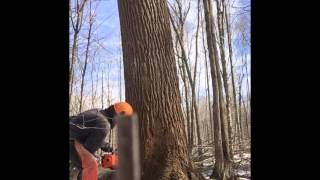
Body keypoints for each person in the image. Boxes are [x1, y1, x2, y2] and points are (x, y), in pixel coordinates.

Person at [69, 102, 134, 180]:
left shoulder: (98, 111)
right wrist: (100, 159)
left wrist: (104, 145)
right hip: (72, 142)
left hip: (73, 137)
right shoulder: (104, 125)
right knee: (92, 165)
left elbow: (87, 133)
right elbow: (88, 150)